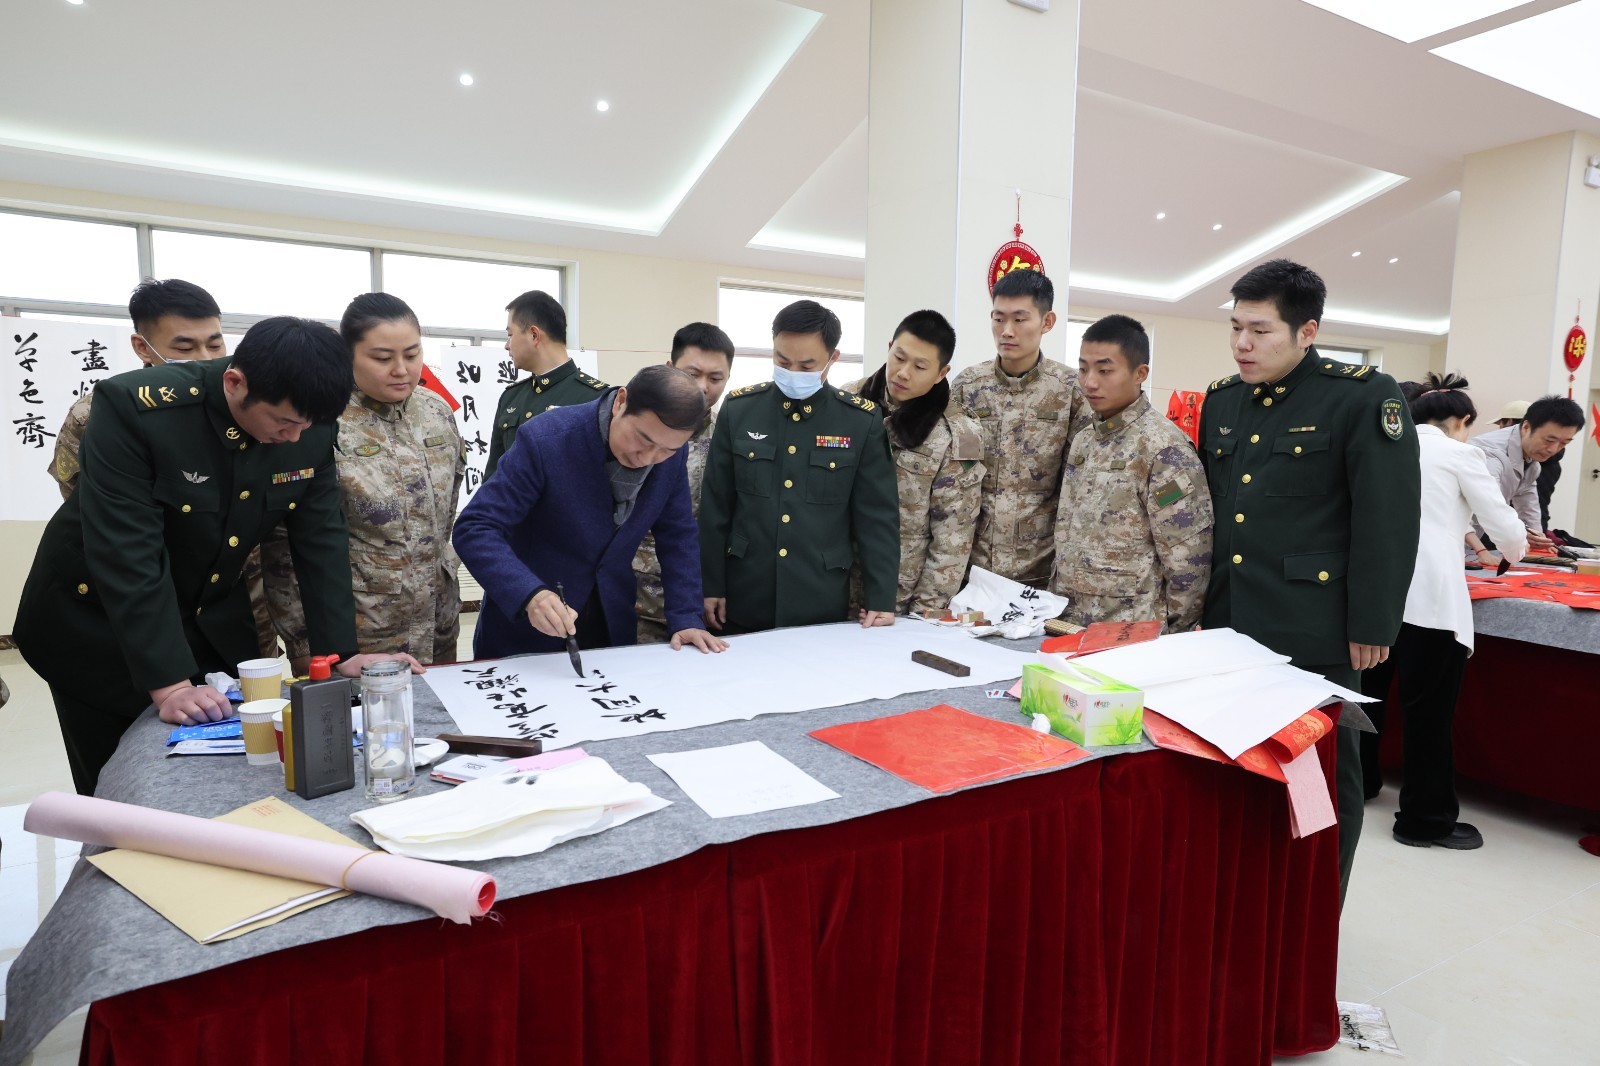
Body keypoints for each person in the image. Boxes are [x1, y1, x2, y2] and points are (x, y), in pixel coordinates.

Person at [14, 317, 422, 795]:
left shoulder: (307, 417)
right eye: (285, 423)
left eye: (307, 426)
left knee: (232, 761)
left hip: (210, 610)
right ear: (235, 383)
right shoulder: (136, 409)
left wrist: (339, 655)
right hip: (96, 623)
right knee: (120, 779)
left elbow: (321, 539)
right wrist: (170, 684)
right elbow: (128, 553)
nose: (295, 438)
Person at [1198, 259, 1420, 903]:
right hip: (1230, 622)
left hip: (1315, 627)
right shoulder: (1223, 400)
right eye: (1236, 328)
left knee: (1321, 777)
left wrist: (1373, 623)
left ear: (1307, 332)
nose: (1242, 344)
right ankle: (1247, 904)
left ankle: (1317, 916)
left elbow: (1387, 517)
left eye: (1260, 330)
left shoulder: (1361, 396)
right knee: (1237, 765)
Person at [49, 281, 280, 660]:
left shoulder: (246, 402)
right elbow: (94, 515)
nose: (204, 358)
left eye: (215, 344)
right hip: (152, 591)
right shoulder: (100, 414)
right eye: (184, 348)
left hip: (236, 595)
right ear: (143, 347)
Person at [455, 364, 726, 658]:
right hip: (528, 627)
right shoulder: (547, 440)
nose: (648, 457)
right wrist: (529, 593)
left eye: (666, 450)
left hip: (610, 627)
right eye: (643, 439)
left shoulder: (673, 454)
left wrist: (686, 617)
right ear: (621, 402)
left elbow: (678, 535)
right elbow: (475, 527)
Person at [263, 294, 467, 669]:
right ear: (348, 355)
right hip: (356, 636)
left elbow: (447, 511)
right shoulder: (320, 420)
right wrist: (306, 644)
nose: (402, 369)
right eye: (383, 358)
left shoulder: (436, 412)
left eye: (412, 354)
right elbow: (283, 545)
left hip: (437, 621)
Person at [699, 299, 900, 633]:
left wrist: (881, 598)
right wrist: (711, 585)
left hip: (820, 595)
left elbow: (877, 518)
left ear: (832, 358)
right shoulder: (740, 410)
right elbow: (715, 507)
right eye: (782, 361)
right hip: (745, 592)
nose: (792, 372)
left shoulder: (859, 421)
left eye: (807, 366)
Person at [1050, 314, 1212, 632]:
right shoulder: (1084, 439)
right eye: (1083, 369)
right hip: (1069, 620)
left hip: (1130, 629)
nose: (1089, 382)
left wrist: (1173, 632)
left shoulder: (1163, 448)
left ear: (1140, 373)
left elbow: (1188, 556)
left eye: (1104, 370)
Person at [950, 269, 1087, 587]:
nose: (1007, 331)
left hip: (1041, 566)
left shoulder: (1070, 390)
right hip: (974, 565)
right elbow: (955, 475)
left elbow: (1078, 484)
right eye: (999, 319)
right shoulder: (968, 386)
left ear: (1047, 322)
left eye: (1019, 319)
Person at [843, 309, 984, 615]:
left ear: (941, 373)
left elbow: (952, 539)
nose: (903, 373)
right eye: (899, 357)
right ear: (889, 347)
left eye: (920, 366)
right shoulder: (847, 402)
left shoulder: (957, 433)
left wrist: (921, 616)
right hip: (836, 587)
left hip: (900, 601)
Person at [633, 322, 734, 643]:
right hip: (639, 599)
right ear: (670, 368)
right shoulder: (637, 432)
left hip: (706, 599)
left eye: (715, 379)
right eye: (692, 374)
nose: (703, 387)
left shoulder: (731, 437)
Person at [484, 290, 607, 479]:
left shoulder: (597, 398)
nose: (507, 345)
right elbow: (494, 478)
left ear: (534, 335)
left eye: (510, 335)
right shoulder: (511, 398)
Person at [1468, 395, 1584, 553]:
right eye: (1549, 440)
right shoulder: (1490, 455)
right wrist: (1519, 535)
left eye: (1564, 443)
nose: (1553, 449)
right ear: (1526, 427)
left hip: (1472, 538)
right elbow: (1489, 507)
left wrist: (1540, 539)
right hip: (1455, 535)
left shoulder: (1531, 460)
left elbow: (1529, 505)